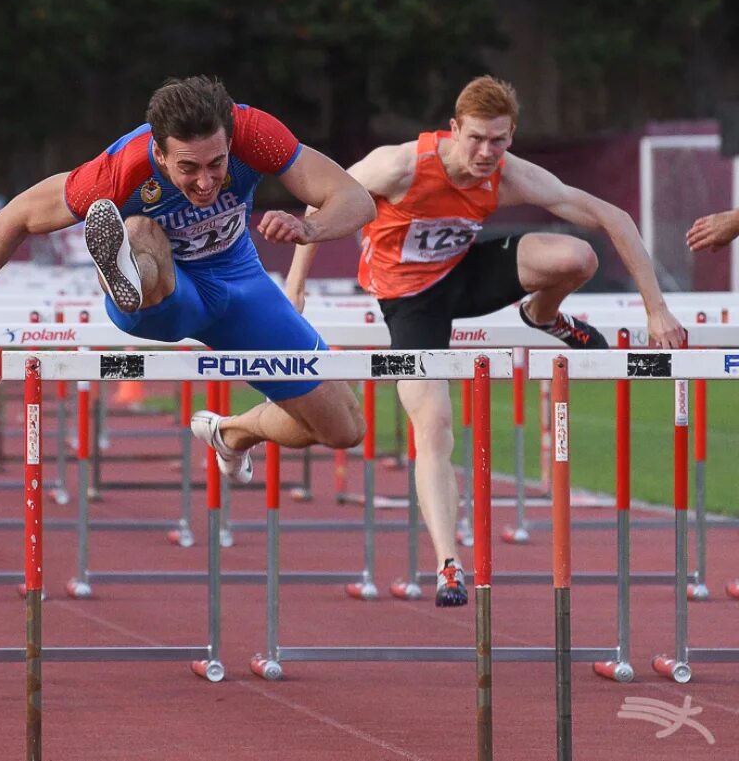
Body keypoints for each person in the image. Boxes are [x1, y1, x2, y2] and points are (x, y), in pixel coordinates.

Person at [286, 76, 686, 607]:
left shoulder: (508, 172)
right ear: (453, 130)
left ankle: (542, 316)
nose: (485, 152)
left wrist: (657, 310)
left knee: (576, 257)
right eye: (475, 138)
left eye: (498, 141)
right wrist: (294, 291)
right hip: (410, 300)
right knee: (434, 424)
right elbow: (320, 204)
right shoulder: (400, 165)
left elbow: (613, 216)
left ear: (511, 137)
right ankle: (447, 563)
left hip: (465, 275)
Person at [0, 76, 376, 478]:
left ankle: (231, 433)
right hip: (167, 299)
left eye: (216, 164)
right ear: (159, 154)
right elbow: (18, 215)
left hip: (241, 286)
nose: (205, 182)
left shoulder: (254, 135)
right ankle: (125, 272)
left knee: (344, 428)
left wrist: (309, 227)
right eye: (188, 168)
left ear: (229, 142)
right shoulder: (119, 169)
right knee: (142, 228)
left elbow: (355, 199)